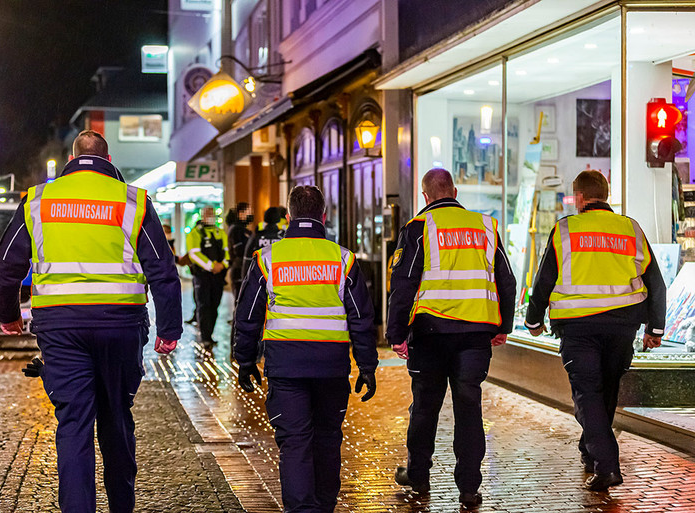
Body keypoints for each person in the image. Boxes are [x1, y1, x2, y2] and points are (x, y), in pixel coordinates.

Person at [0, 129, 182, 513]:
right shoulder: (134, 200)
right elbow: (162, 268)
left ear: (71, 160)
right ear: (108, 161)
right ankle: (122, 506)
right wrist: (170, 330)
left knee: (74, 423)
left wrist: (8, 316)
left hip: (60, 329)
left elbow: (6, 267)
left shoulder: (38, 200)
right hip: (121, 325)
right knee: (116, 416)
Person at [234, 185, 378, 513]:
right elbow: (361, 317)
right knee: (328, 439)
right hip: (331, 367)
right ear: (323, 216)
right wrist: (367, 365)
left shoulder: (267, 259)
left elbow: (249, 313)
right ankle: (324, 507)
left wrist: (244, 360)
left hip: (286, 368)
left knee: (295, 444)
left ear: (289, 217)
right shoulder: (343, 259)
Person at [525, 169, 665, 491]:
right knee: (606, 389)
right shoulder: (631, 229)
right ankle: (592, 448)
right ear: (605, 194)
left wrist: (534, 320)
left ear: (581, 198)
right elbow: (655, 282)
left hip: (579, 327)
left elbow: (543, 280)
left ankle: (607, 465)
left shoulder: (565, 230)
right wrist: (655, 328)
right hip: (622, 327)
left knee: (587, 393)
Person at [386, 168, 516, 509]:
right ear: (454, 191)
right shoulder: (485, 227)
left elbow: (403, 286)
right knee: (469, 407)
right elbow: (507, 280)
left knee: (425, 407)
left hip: (430, 335)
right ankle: (470, 487)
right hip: (475, 336)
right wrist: (504, 325)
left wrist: (396, 334)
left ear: (425, 195)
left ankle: (418, 476)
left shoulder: (418, 229)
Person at [186, 206, 229, 346]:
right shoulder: (195, 233)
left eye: (212, 213)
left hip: (218, 276)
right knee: (204, 306)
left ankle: (210, 335)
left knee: (215, 306)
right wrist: (212, 266)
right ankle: (205, 337)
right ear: (203, 215)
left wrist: (222, 265)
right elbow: (194, 254)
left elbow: (227, 252)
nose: (210, 216)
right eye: (208, 214)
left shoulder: (220, 232)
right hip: (202, 276)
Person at [241, 206, 285, 281]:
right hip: (279, 276)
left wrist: (245, 279)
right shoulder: (283, 236)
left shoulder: (257, 235)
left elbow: (247, 258)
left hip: (260, 276)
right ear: (278, 219)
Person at [227, 202, 253, 304]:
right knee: (240, 302)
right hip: (239, 269)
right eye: (249, 212)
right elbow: (239, 251)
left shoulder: (243, 230)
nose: (251, 215)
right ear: (241, 214)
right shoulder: (236, 230)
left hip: (243, 269)